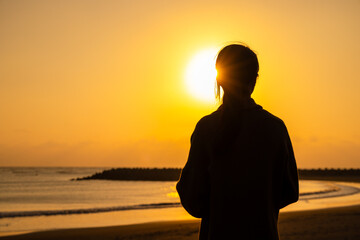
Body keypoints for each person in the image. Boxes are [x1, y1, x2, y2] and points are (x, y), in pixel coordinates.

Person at [176, 44, 299, 240]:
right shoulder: (275, 128)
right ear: (254, 79)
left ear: (219, 79)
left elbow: (193, 200)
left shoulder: (206, 128)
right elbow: (290, 192)